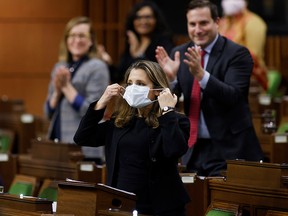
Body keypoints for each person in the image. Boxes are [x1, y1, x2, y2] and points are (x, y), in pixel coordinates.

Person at [155, 0, 264, 177]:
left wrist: (201, 75)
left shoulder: (237, 54)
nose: (197, 30)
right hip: (193, 148)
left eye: (203, 23)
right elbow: (169, 103)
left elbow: (233, 96)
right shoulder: (180, 53)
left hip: (229, 149)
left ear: (217, 22)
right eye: (192, 24)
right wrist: (172, 80)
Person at [73, 60, 190, 215]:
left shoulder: (175, 120)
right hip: (121, 204)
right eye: (130, 83)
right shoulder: (120, 121)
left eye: (141, 84)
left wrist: (167, 111)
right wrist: (102, 101)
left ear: (157, 90)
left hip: (160, 208)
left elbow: (174, 150)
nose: (133, 88)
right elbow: (82, 137)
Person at [44, 16, 110, 163]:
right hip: (58, 144)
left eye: (82, 36)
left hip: (84, 148)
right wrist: (56, 92)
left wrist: (67, 87)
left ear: (91, 40)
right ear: (66, 40)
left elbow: (92, 110)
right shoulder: (59, 66)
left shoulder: (97, 67)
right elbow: (47, 112)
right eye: (72, 35)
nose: (76, 40)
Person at [98, 1, 174, 84]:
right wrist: (108, 63)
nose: (143, 21)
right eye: (138, 17)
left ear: (156, 20)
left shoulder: (163, 42)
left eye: (148, 17)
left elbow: (156, 73)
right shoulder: (132, 41)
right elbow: (119, 76)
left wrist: (137, 54)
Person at [219, 0, 268, 91]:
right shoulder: (223, 22)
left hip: (249, 79)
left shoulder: (254, 22)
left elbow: (252, 56)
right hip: (222, 77)